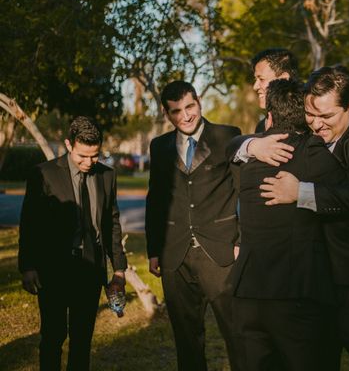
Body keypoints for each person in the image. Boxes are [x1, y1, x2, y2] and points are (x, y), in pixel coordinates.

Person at [259, 66, 349, 370]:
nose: (316, 124)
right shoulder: (303, 130)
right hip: (316, 287)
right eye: (311, 114)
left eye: (326, 117)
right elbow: (244, 140)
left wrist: (301, 192)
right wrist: (250, 144)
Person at [228, 79, 345, 371]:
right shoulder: (317, 154)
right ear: (306, 116)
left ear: (269, 117)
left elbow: (229, 150)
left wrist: (254, 143)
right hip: (297, 291)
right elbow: (346, 199)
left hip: (249, 291)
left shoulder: (250, 160)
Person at [144, 80, 241, 371]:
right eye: (176, 111)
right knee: (187, 340)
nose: (185, 116)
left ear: (199, 102)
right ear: (166, 113)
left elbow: (244, 191)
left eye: (189, 107)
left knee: (237, 335)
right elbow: (156, 200)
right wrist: (153, 249)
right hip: (175, 255)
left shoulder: (228, 136)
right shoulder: (159, 146)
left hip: (222, 253)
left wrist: (241, 241)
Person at [18, 116, 127, 371]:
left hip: (90, 271)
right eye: (82, 156)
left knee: (82, 341)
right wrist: (28, 266)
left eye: (95, 156)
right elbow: (29, 223)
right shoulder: (43, 174)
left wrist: (119, 269)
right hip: (53, 269)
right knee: (53, 338)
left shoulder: (107, 176)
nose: (89, 163)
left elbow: (112, 221)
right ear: (69, 144)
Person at [251, 48, 298, 132]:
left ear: (284, 79)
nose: (255, 87)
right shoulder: (261, 126)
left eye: (261, 79)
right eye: (255, 80)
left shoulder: (309, 121)